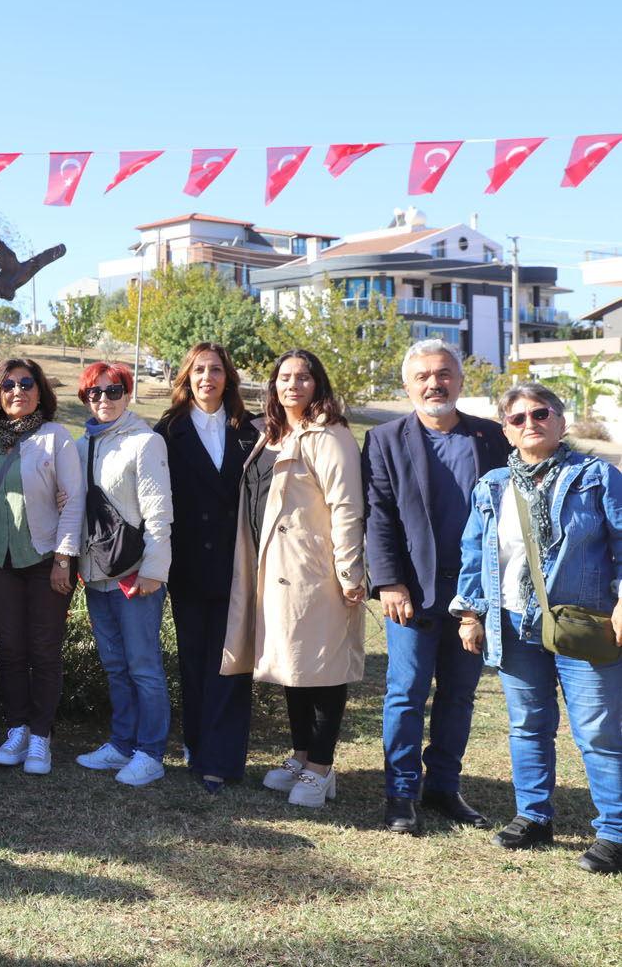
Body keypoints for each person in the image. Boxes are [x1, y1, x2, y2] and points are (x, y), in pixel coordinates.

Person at [451, 383, 622, 875]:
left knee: (598, 732)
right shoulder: (491, 485)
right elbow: (473, 553)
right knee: (528, 726)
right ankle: (534, 816)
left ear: (560, 421)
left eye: (541, 413)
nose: (531, 422)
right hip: (510, 622)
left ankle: (614, 831)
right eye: (518, 417)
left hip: (582, 624)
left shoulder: (597, 477)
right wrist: (469, 613)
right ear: (506, 431)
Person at [364, 339, 509, 834]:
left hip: (477, 594)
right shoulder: (384, 438)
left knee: (459, 694)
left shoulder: (493, 438)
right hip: (414, 591)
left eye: (443, 373)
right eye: (423, 375)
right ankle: (400, 793)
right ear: (407, 385)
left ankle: (444, 787)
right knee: (405, 692)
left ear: (460, 381)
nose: (434, 383)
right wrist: (388, 581)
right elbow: (378, 516)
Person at [224, 349, 365, 808]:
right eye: (284, 377)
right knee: (294, 666)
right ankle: (302, 754)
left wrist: (349, 572)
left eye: (303, 378)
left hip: (315, 572)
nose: (293, 385)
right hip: (274, 571)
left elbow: (347, 507)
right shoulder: (272, 436)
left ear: (317, 385)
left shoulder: (330, 436)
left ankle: (321, 768)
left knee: (323, 669)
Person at [154, 343, 258, 794]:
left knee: (231, 663)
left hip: (239, 565)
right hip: (189, 565)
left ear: (228, 378)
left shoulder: (253, 430)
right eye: (199, 370)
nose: (207, 377)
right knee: (194, 663)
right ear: (187, 377)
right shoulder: (167, 430)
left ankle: (222, 760)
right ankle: (196, 748)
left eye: (216, 369)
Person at [0, 358, 82, 776]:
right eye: (8, 385)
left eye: (26, 383)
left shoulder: (56, 437)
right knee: (10, 650)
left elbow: (72, 499)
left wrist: (63, 558)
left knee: (43, 649)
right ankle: (17, 729)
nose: (17, 391)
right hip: (1, 561)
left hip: (45, 560)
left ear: (40, 391)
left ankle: (41, 737)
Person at [72, 362, 173, 787]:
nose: (104, 400)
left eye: (113, 391)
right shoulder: (81, 445)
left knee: (144, 666)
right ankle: (122, 744)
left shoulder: (145, 442)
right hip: (96, 574)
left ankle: (151, 752)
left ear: (128, 394)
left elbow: (159, 511)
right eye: (94, 394)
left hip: (135, 574)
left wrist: (154, 570)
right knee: (115, 665)